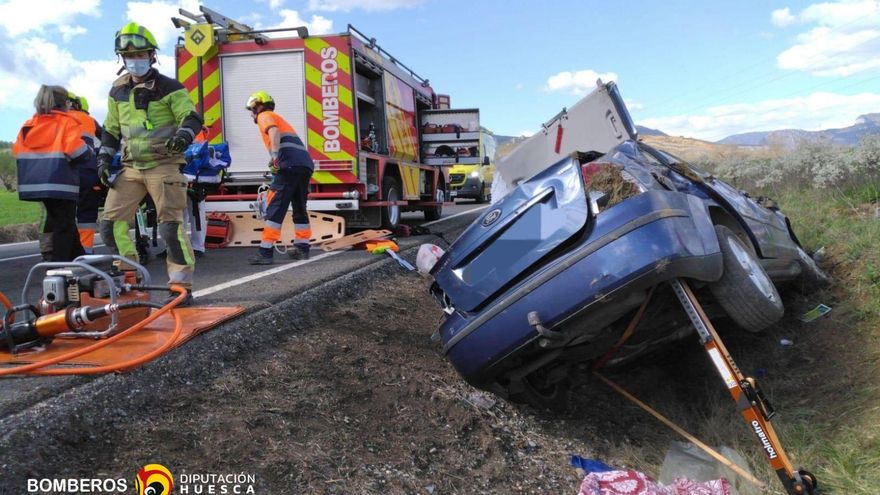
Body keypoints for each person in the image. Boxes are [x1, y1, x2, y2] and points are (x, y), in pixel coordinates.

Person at [97, 22, 203, 302]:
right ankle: (127, 277)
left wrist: (183, 136)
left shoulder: (169, 87)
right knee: (110, 224)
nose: (135, 60)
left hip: (164, 165)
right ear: (122, 59)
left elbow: (191, 117)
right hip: (131, 168)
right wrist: (104, 159)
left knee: (170, 227)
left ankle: (181, 288)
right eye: (130, 56)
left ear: (152, 56)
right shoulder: (117, 91)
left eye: (141, 55)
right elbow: (110, 130)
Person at [13, 85, 93, 261]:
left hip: (33, 184)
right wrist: (90, 153)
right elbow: (77, 151)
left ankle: (79, 261)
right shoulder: (66, 122)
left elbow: (17, 150)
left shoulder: (28, 125)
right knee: (64, 226)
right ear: (65, 103)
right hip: (61, 184)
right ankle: (58, 269)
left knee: (64, 222)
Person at [245, 91, 314, 265]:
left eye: (251, 110)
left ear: (257, 106)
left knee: (276, 207)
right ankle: (302, 248)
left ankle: (265, 251)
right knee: (299, 207)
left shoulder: (265, 115)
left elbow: (273, 132)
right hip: (304, 165)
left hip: (288, 165)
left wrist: (274, 157)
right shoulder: (281, 119)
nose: (252, 114)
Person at [67, 93, 104, 254]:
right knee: (87, 215)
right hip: (89, 173)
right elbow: (108, 142)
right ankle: (86, 252)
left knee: (63, 214)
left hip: (64, 174)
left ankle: (60, 252)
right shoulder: (90, 120)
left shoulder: (56, 119)